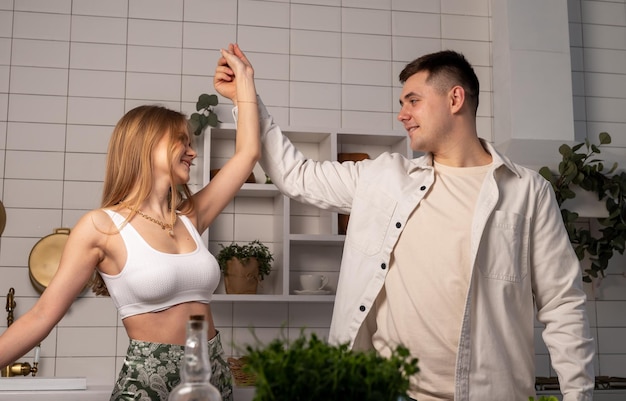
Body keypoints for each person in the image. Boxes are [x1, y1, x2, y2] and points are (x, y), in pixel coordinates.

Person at [215, 46, 595, 400]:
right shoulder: (383, 178)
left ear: (455, 99)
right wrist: (248, 98)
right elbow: (294, 174)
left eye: (413, 100)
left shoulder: (528, 191)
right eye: (402, 103)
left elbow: (562, 303)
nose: (402, 114)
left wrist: (578, 396)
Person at [0, 45, 260, 401]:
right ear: (145, 146)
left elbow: (247, 154)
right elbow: (41, 316)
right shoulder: (100, 227)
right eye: (181, 141)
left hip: (212, 378)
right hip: (149, 386)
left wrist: (244, 85)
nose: (192, 151)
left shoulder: (188, 218)